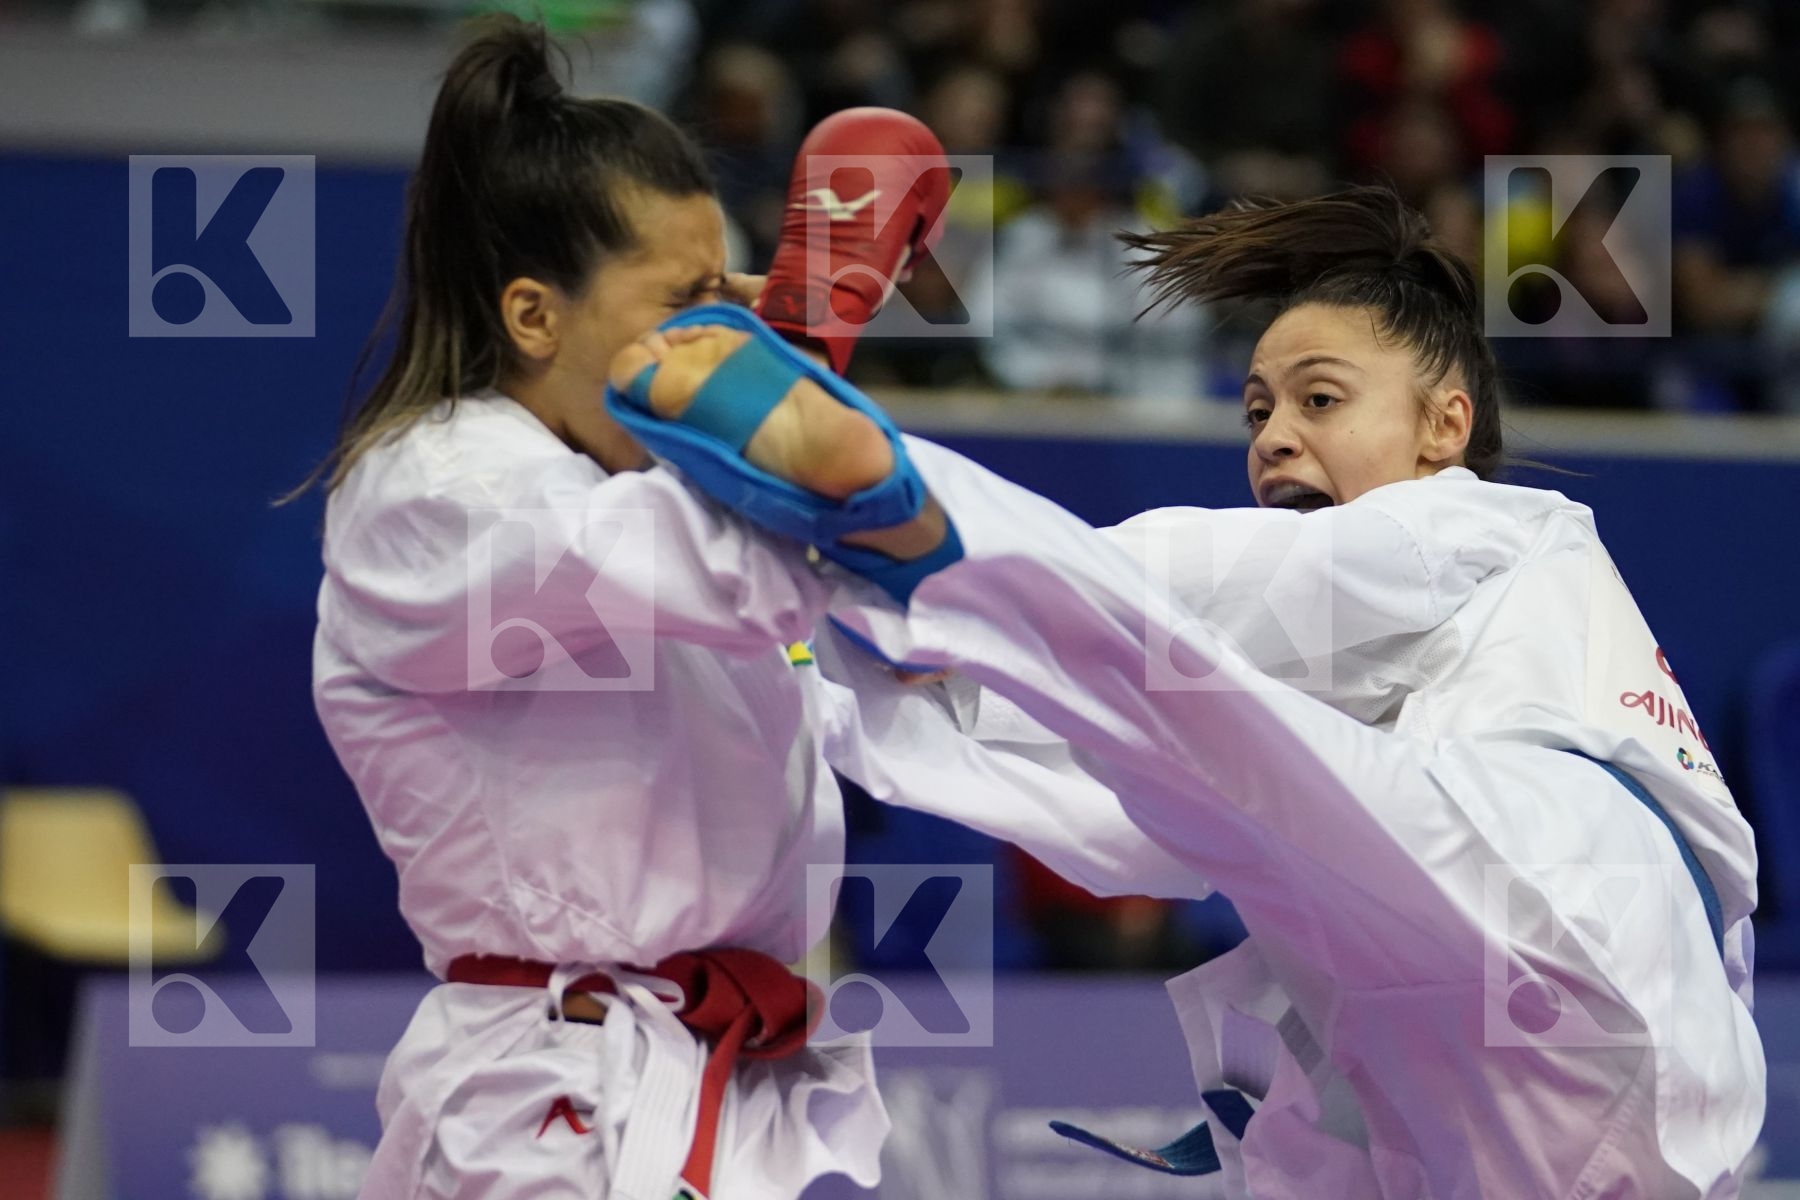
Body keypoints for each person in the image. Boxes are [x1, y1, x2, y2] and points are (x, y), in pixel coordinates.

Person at [603, 185, 1765, 1197]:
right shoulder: (1370, 688)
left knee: (1180, 693)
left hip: (1566, 899)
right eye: (1257, 409)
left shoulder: (1494, 527)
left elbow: (1188, 610)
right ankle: (872, 563)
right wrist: (832, 680)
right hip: (1595, 1100)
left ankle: (891, 503)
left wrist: (893, 566)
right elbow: (1125, 817)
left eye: (1320, 400)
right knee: (1180, 758)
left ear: (1443, 425)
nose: (1274, 438)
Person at [305, 18, 1215, 1198]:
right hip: (552, 1104)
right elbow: (736, 548)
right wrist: (804, 340)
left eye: (733, 289)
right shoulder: (437, 492)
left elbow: (891, 658)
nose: (722, 329)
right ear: (533, 318)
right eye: (689, 298)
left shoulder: (642, 487)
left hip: (724, 1074)